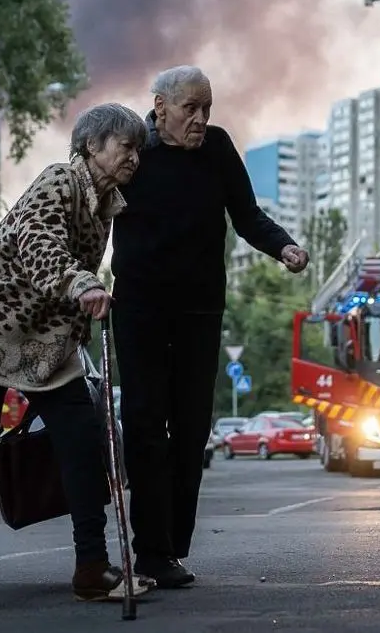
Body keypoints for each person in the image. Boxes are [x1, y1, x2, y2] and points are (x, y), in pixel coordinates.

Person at [0, 103, 155, 604]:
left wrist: (80, 313)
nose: (135, 156)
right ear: (92, 146)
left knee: (82, 438)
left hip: (44, 341)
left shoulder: (105, 203)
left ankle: (91, 567)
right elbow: (41, 246)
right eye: (125, 146)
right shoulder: (59, 181)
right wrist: (83, 283)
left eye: (139, 149)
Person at [110, 65, 310, 588]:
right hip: (140, 311)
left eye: (207, 109)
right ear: (160, 107)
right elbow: (93, 210)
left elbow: (246, 214)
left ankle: (172, 547)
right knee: (146, 428)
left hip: (200, 312)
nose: (200, 120)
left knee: (192, 429)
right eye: (189, 109)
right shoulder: (134, 151)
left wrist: (283, 246)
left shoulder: (217, 149)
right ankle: (149, 550)